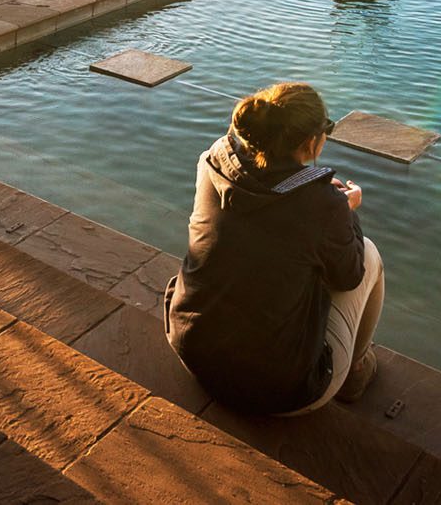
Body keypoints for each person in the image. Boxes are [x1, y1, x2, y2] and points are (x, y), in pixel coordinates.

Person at [163, 81, 384, 414]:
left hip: (191, 346)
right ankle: (355, 371)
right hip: (278, 390)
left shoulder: (213, 162)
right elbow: (349, 276)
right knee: (368, 253)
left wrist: (329, 207)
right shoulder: (323, 205)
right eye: (327, 128)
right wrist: (346, 212)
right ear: (311, 141)